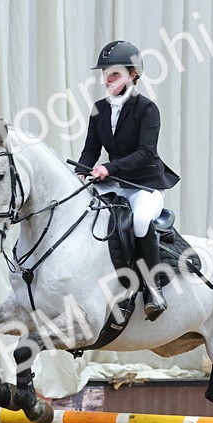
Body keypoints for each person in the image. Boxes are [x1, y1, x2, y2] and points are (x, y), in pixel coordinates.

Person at [76, 40, 180, 320]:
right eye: (105, 75)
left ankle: (152, 287)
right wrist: (81, 172)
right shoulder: (99, 108)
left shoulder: (147, 109)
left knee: (140, 220)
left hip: (144, 186)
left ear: (133, 74)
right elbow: (90, 150)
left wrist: (109, 168)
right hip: (113, 183)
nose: (107, 80)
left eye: (114, 74)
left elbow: (146, 153)